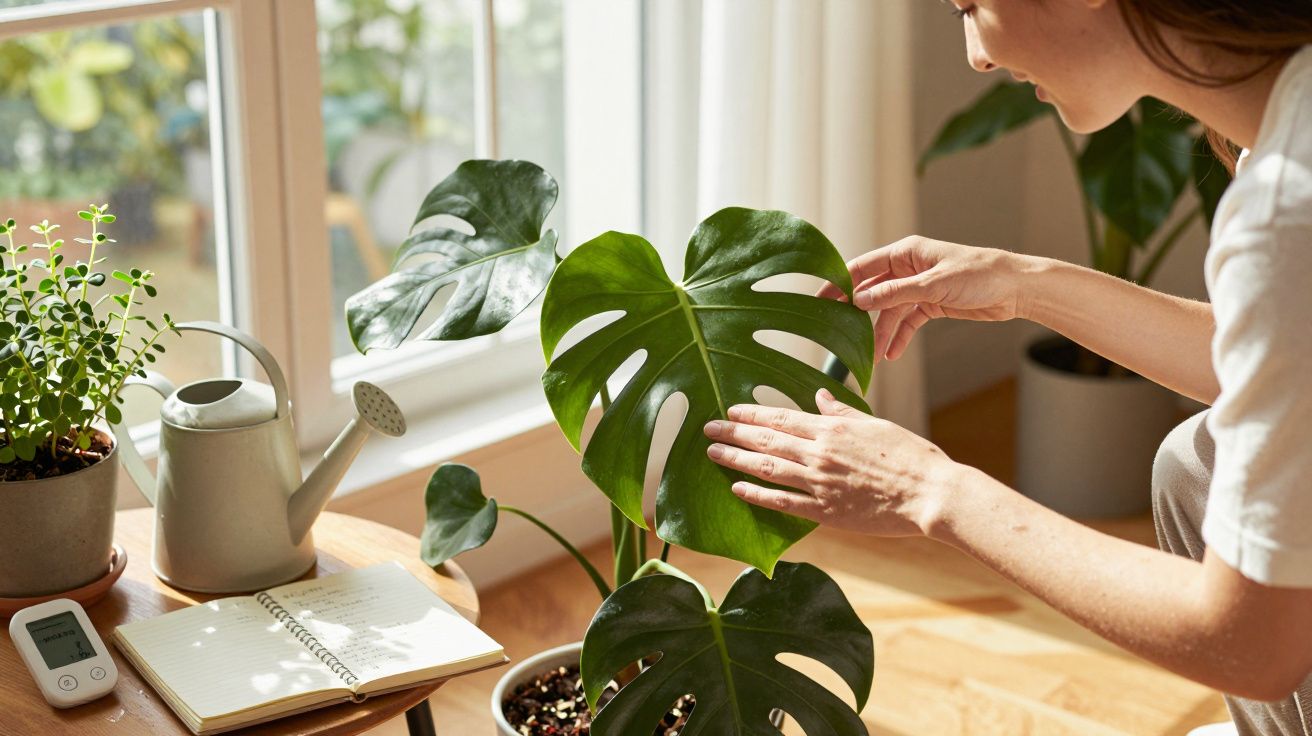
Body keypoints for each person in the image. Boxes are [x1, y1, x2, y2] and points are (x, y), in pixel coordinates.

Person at [701, 2, 1312, 734]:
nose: (977, 57)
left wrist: (928, 489)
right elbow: (1281, 365)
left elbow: (1249, 644)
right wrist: (1023, 283)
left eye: (970, 7)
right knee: (1195, 463)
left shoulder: (1290, 202)